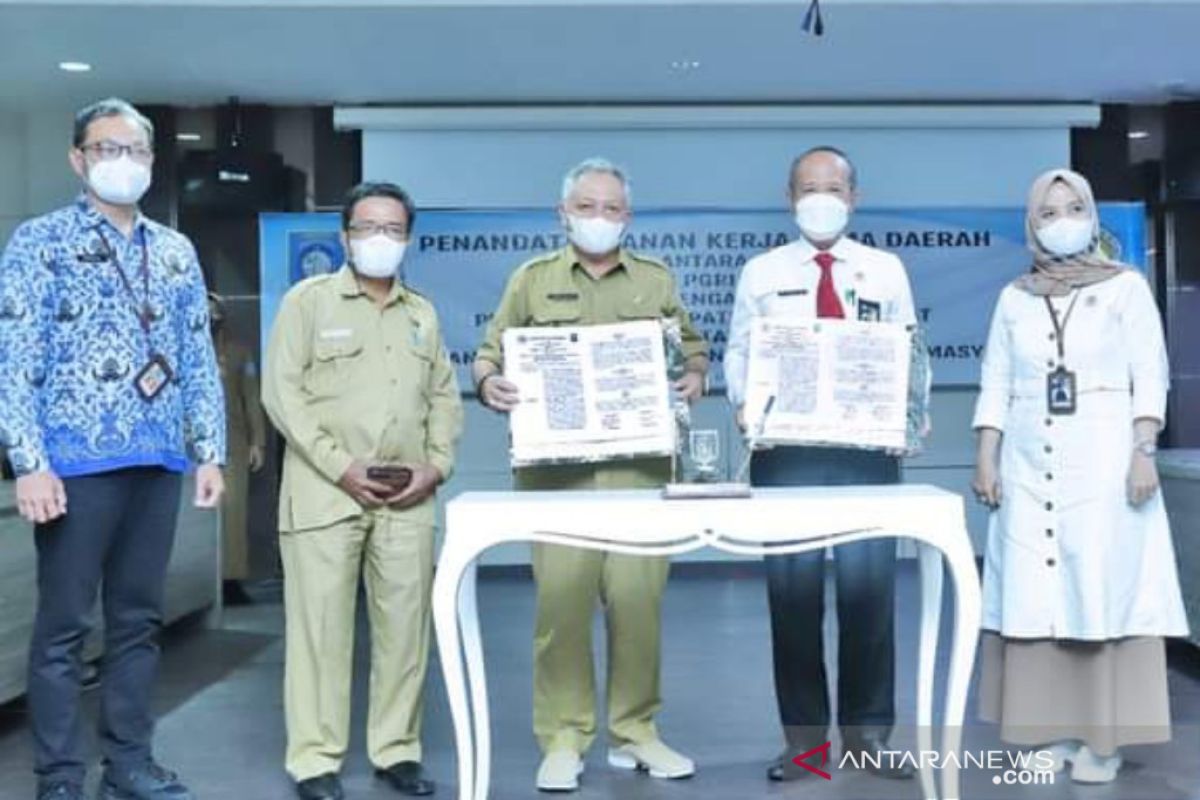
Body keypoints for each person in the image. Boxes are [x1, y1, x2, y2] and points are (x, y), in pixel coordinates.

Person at [0, 97, 225, 800]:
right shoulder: (39, 242)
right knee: (66, 627)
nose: (120, 162)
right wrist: (28, 461)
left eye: (133, 151)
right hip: (73, 466)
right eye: (105, 149)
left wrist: (209, 450)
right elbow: (14, 358)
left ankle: (129, 762)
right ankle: (60, 776)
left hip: (156, 460)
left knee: (137, 620)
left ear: (152, 164)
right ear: (78, 158)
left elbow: (196, 356)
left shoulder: (175, 251)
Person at [473, 158, 708, 793]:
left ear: (626, 218)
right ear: (563, 213)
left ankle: (636, 734)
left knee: (638, 606)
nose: (598, 218)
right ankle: (563, 738)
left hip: (640, 473)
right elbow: (491, 351)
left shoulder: (655, 281)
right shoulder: (530, 280)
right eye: (585, 206)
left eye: (610, 208)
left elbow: (691, 348)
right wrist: (488, 380)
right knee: (562, 608)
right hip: (558, 479)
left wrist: (694, 374)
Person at [971, 168, 1188, 784]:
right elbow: (997, 381)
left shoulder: (1126, 288)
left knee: (1099, 587)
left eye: (1073, 208)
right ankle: (1053, 730)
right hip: (1027, 461)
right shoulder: (1016, 296)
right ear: (1031, 224)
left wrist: (1143, 448)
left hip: (1105, 458)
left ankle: (1104, 737)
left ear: (1091, 215)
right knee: (1038, 593)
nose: (1063, 220)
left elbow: (1151, 372)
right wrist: (986, 454)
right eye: (1048, 212)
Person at [263, 181, 462, 800]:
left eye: (394, 230)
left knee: (405, 632)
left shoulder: (422, 313)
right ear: (345, 235)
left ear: (408, 238)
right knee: (320, 631)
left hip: (408, 498)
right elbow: (282, 395)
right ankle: (315, 758)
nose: (381, 239)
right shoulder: (308, 302)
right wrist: (339, 466)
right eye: (368, 228)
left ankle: (397, 750)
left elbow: (443, 398)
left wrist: (436, 466)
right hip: (326, 495)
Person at [725, 146, 918, 783]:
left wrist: (907, 415)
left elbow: (907, 355)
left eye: (832, 188)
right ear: (789, 197)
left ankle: (868, 738)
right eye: (808, 188)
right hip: (786, 460)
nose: (820, 198)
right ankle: (804, 746)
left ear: (854, 198)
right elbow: (739, 355)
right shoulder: (761, 272)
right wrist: (745, 406)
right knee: (794, 604)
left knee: (871, 600)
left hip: (865, 458)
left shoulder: (885, 270)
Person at [207, 292, 266, 605]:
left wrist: (258, 440)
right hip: (193, 451)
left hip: (234, 445)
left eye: (214, 311)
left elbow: (251, 397)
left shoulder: (238, 353)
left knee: (233, 515)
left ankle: (231, 580)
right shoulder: (181, 351)